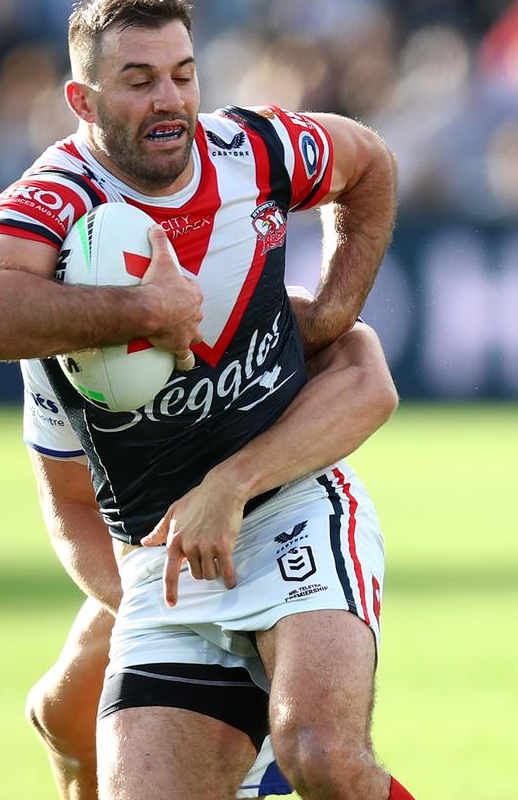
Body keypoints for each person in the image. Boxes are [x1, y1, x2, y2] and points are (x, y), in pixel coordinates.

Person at [0, 0, 414, 800]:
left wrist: (334, 308)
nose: (170, 100)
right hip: (166, 558)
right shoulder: (56, 211)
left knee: (322, 754)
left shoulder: (251, 152)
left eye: (183, 74)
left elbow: (368, 162)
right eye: (139, 80)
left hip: (291, 505)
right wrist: (141, 310)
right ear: (81, 99)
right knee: (76, 724)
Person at [21, 299, 399, 800]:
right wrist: (154, 603)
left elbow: (368, 383)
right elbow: (70, 505)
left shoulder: (239, 272)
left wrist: (233, 483)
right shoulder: (51, 348)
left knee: (323, 756)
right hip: (159, 562)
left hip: (284, 517)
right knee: (61, 713)